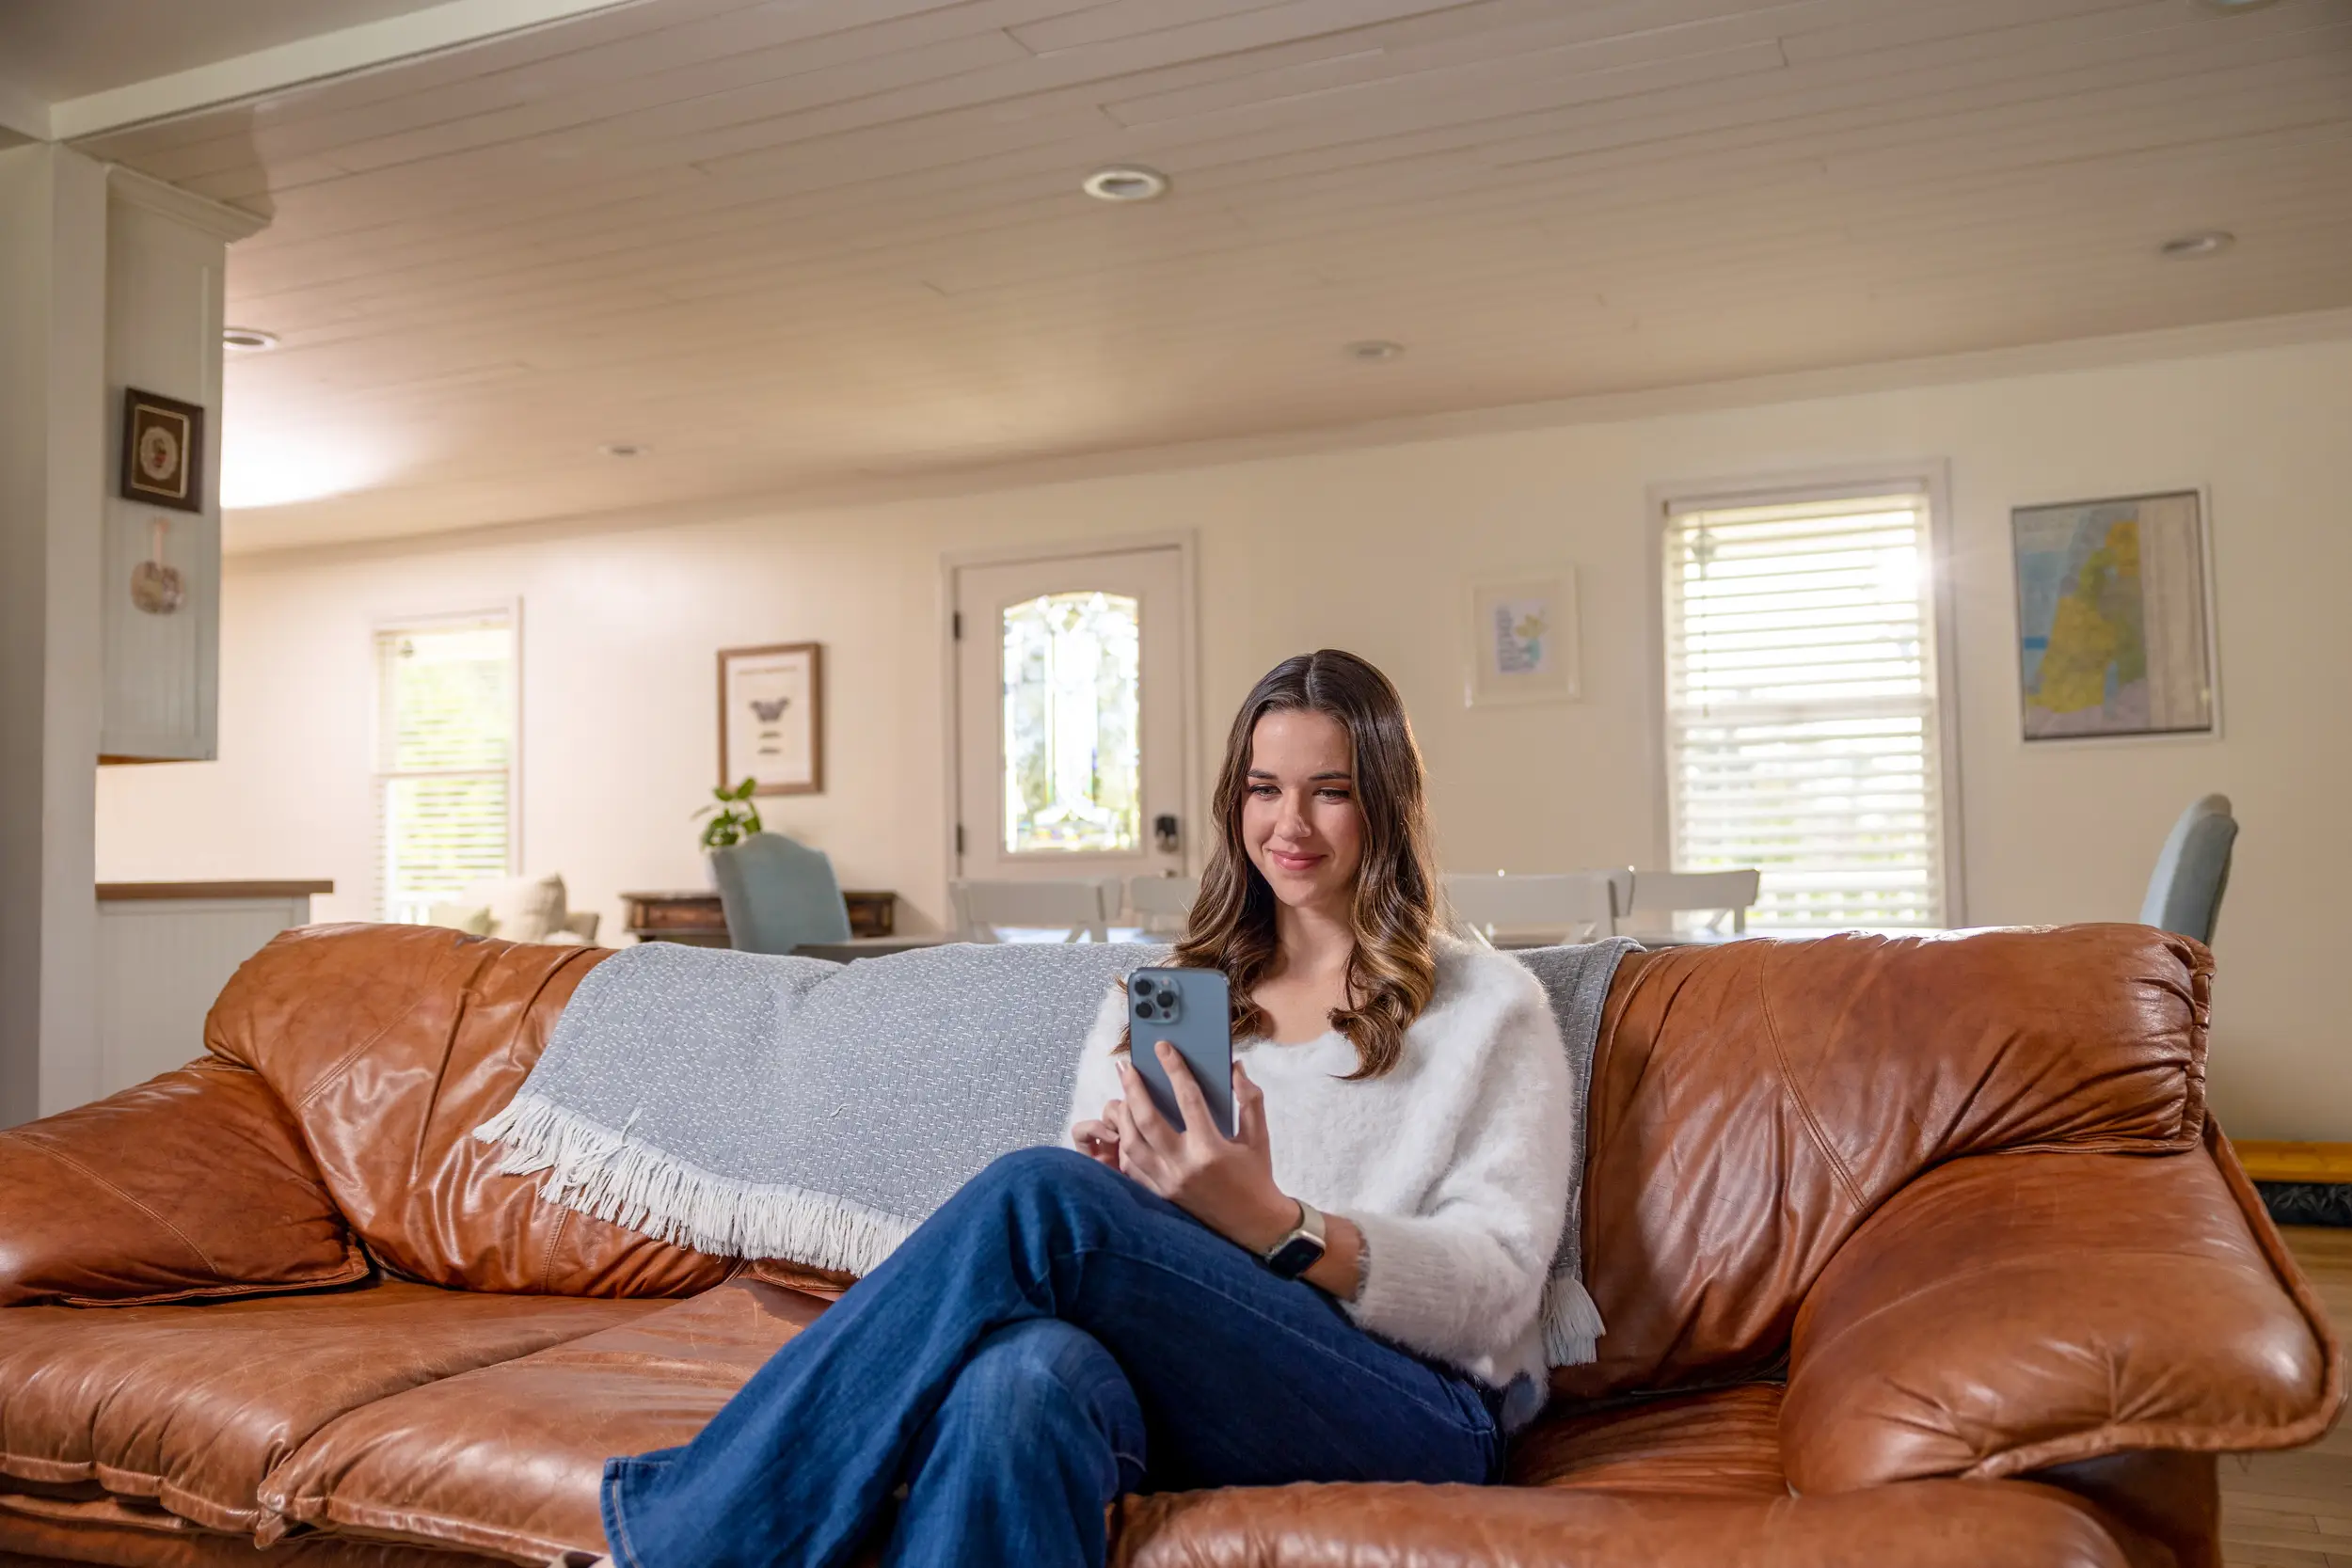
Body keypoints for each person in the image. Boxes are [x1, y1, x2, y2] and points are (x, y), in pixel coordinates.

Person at [595, 649, 1576, 1568]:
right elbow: (1094, 1226)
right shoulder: (1167, 996)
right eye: (1263, 788)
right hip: (1190, 1371)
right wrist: (1129, 1191)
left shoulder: (1484, 1005)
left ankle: (692, 1537)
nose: (1291, 825)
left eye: (1331, 791)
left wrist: (1280, 1225)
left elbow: (1495, 1287)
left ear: (1387, 805)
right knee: (1013, 1382)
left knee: (1038, 1196)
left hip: (1406, 1400)